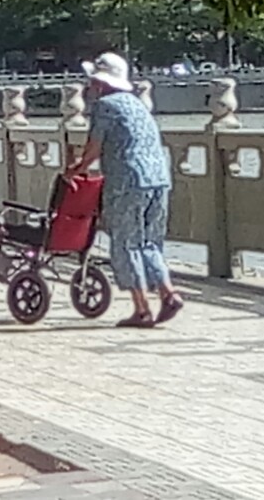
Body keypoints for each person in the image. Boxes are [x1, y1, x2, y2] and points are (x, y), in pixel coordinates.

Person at [64, 52, 183, 328]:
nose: (90, 85)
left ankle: (142, 309)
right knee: (149, 242)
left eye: (93, 80)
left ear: (100, 82)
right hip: (158, 178)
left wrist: (74, 170)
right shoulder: (136, 104)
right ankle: (168, 293)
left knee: (126, 243)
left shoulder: (104, 106)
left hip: (127, 182)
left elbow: (93, 150)